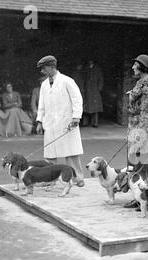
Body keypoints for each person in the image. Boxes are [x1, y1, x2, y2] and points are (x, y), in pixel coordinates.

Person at [35, 55, 85, 187]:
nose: (42, 72)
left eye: (44, 68)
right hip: (50, 124)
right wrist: (39, 121)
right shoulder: (44, 85)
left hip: (66, 123)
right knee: (50, 155)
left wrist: (76, 117)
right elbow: (41, 104)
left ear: (52, 67)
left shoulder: (67, 81)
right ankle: (50, 179)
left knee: (71, 153)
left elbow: (77, 99)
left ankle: (78, 178)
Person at [123, 54, 148, 209]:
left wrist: (140, 133)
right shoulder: (142, 83)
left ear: (142, 66)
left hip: (144, 129)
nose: (133, 67)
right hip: (138, 128)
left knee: (145, 165)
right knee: (136, 164)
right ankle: (140, 197)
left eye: (135, 65)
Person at [83, 59, 104, 127]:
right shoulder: (86, 68)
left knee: (95, 108)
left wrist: (99, 89)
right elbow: (83, 78)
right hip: (87, 90)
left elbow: (101, 79)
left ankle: (95, 123)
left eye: (91, 60)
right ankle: (85, 123)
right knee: (85, 107)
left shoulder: (97, 69)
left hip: (95, 90)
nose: (90, 61)